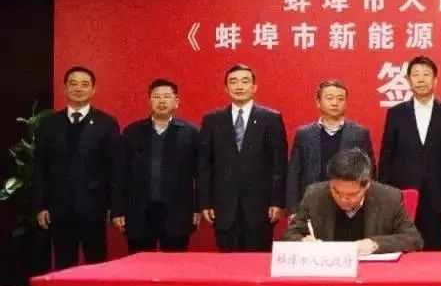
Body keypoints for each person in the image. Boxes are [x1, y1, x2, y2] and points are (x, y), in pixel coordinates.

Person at [32, 66, 122, 269]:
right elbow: (40, 168)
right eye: (73, 84)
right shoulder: (48, 124)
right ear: (65, 88)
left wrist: (114, 207)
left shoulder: (106, 123)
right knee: (64, 264)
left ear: (93, 90)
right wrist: (41, 205)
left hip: (94, 208)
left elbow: (114, 169)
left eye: (84, 84)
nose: (78, 89)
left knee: (96, 265)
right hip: (59, 208)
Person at [378, 56, 441, 251]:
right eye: (416, 75)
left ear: (435, 80)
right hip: (402, 194)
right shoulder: (396, 113)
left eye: (426, 75)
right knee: (403, 247)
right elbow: (386, 155)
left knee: (435, 248)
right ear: (408, 80)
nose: (421, 79)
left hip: (439, 195)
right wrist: (384, 193)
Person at [198, 63, 288, 252]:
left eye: (245, 81)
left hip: (260, 207)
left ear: (254, 87)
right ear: (226, 88)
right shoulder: (212, 120)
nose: (239, 86)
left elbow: (279, 164)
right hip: (223, 206)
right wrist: (205, 202)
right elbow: (205, 165)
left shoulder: (271, 119)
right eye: (233, 82)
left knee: (257, 262)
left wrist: (277, 201)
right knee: (227, 262)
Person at [113, 79, 200, 252]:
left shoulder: (190, 133)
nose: (161, 101)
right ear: (149, 100)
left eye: (167, 96)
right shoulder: (132, 132)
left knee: (174, 264)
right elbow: (120, 173)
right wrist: (117, 210)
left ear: (176, 101)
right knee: (139, 262)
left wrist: (198, 208)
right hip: (139, 212)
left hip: (177, 212)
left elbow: (200, 174)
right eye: (157, 96)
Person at [284, 148, 422, 255]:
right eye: (336, 192)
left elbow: (413, 239)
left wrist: (374, 244)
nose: (343, 199)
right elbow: (291, 235)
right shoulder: (315, 195)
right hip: (329, 271)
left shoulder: (389, 197)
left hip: (372, 272)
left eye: (351, 195)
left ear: (366, 185)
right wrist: (303, 242)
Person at [286, 79, 375, 214]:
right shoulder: (304, 134)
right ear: (318, 102)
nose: (335, 103)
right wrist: (293, 209)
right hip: (313, 202)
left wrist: (366, 204)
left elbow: (369, 172)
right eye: (329, 98)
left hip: (348, 202)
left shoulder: (359, 133)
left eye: (340, 99)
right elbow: (294, 174)